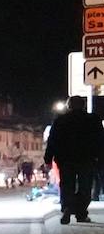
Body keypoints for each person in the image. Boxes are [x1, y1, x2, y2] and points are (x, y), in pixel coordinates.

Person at [43, 95, 103, 224]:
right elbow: (100, 140)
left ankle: (67, 208)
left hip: (65, 159)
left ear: (69, 106)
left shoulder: (60, 120)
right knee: (85, 187)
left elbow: (52, 140)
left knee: (66, 185)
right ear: (83, 106)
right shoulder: (93, 120)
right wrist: (100, 159)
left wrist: (48, 158)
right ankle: (81, 213)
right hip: (87, 158)